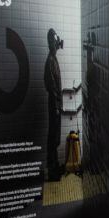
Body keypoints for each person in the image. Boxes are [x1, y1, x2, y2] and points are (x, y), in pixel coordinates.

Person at [44, 28, 64, 180]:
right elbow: (50, 85)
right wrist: (57, 106)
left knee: (55, 137)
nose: (57, 45)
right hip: (54, 105)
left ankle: (55, 167)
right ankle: (52, 170)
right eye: (55, 42)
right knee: (53, 137)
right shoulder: (50, 60)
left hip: (56, 104)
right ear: (51, 43)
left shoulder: (53, 59)